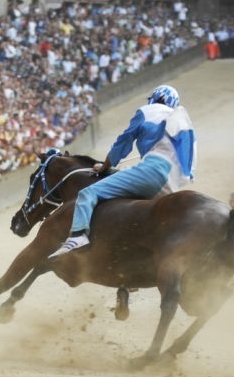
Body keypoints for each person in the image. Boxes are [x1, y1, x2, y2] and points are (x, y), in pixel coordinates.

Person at [49, 85, 196, 257]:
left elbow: (123, 142)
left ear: (156, 98)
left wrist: (105, 166)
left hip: (153, 170)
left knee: (88, 193)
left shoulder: (148, 111)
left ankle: (78, 236)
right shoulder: (180, 122)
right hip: (171, 182)